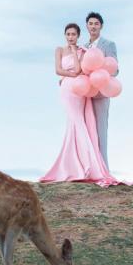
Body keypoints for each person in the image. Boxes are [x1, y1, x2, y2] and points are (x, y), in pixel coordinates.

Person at [39, 23, 121, 187]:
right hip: (67, 88)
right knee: (73, 124)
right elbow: (57, 70)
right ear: (65, 35)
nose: (70, 37)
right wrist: (67, 75)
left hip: (79, 90)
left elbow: (78, 70)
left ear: (78, 36)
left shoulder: (81, 51)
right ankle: (75, 165)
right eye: (68, 34)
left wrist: (74, 54)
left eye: (74, 34)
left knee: (79, 123)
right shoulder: (59, 50)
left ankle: (88, 164)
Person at [85, 12, 116, 169]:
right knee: (87, 131)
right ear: (87, 26)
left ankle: (104, 169)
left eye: (96, 24)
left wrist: (99, 74)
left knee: (101, 131)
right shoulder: (83, 47)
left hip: (101, 93)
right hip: (85, 94)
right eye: (90, 24)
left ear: (101, 26)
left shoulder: (108, 45)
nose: (93, 26)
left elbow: (115, 69)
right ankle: (89, 168)